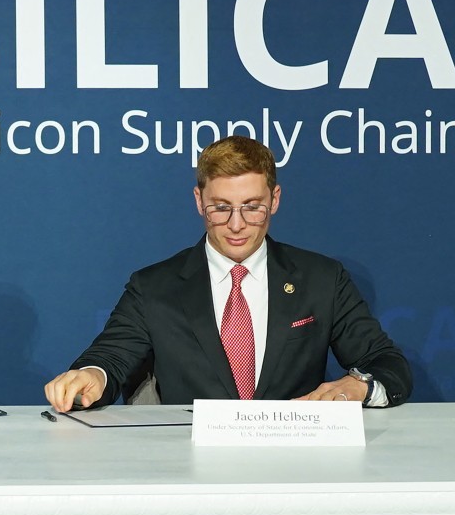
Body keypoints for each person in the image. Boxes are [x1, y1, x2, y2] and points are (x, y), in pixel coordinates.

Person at [45, 135, 411, 412]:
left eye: (252, 208)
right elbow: (109, 359)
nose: (236, 225)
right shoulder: (154, 287)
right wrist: (92, 376)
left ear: (276, 200)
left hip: (295, 470)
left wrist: (357, 386)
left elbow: (388, 365)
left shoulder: (321, 279)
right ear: (198, 201)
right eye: (221, 208)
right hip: (186, 475)